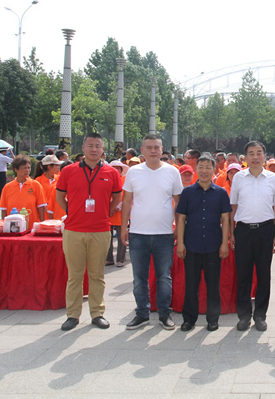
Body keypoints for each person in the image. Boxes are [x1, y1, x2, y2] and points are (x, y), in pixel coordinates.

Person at [56, 133, 123, 331]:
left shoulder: (111, 173)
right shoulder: (69, 171)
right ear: (83, 148)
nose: (94, 149)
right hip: (74, 230)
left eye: (98, 146)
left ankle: (97, 313)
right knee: (74, 275)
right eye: (90, 145)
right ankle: (72, 315)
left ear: (103, 149)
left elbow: (117, 197)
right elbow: (60, 196)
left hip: (100, 229)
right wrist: (71, 211)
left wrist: (107, 211)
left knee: (97, 274)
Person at [121, 134, 184, 331]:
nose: (153, 151)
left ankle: (165, 314)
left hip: (164, 233)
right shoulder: (134, 172)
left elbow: (178, 203)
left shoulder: (172, 172)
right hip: (138, 233)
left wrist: (178, 229)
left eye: (156, 147)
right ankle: (142, 313)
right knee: (139, 277)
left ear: (162, 149)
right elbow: (127, 201)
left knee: (164, 276)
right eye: (149, 147)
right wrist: (124, 227)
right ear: (142, 150)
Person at [230, 140, 275, 331]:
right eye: (251, 153)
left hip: (265, 230)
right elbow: (233, 207)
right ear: (245, 157)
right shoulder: (239, 178)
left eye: (259, 152)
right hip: (243, 230)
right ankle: (244, 316)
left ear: (265, 156)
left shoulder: (273, 179)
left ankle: (260, 315)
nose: (255, 156)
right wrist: (231, 232)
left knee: (263, 275)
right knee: (243, 275)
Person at [175, 154, 231, 332]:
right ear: (196, 170)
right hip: (191, 245)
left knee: (213, 285)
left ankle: (213, 319)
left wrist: (224, 243)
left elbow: (225, 219)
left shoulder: (221, 193)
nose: (204, 171)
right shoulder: (187, 193)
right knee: (191, 284)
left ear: (214, 170)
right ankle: (189, 319)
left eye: (208, 167)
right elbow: (181, 218)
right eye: (201, 167)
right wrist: (180, 243)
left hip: (213, 245)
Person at [0, 155, 47, 229]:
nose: (27, 170)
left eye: (28, 168)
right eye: (24, 168)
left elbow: (41, 206)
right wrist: (4, 227)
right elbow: (4, 209)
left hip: (31, 227)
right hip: (13, 228)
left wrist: (41, 224)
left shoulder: (36, 185)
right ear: (16, 170)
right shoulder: (7, 187)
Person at [107, 160, 128, 267]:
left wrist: (115, 208)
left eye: (118, 168)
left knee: (121, 236)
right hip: (107, 214)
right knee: (107, 237)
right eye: (113, 168)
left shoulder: (125, 180)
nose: (115, 170)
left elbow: (126, 197)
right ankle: (108, 258)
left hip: (121, 213)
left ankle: (120, 259)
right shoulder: (106, 180)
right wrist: (109, 209)